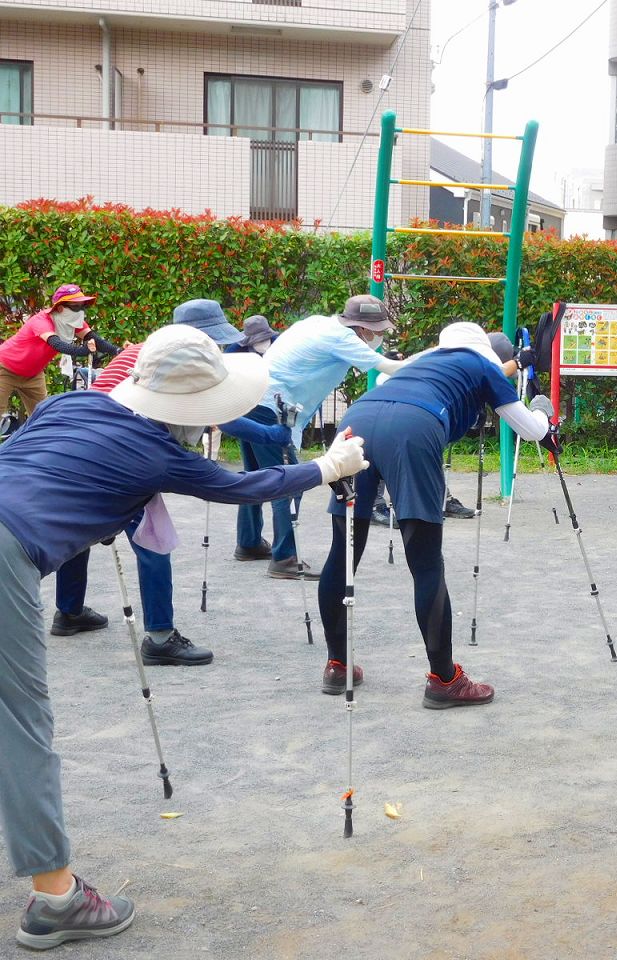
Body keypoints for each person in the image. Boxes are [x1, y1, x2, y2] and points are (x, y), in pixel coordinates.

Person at [0, 324, 366, 950]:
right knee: (20, 729)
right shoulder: (158, 454)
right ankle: (57, 899)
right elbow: (239, 486)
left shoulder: (70, 402)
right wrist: (327, 466)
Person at [316, 323, 556, 707]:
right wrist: (543, 412)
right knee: (426, 563)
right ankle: (444, 679)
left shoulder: (424, 359)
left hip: (356, 422)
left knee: (343, 553)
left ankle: (337, 663)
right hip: (414, 427)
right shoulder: (483, 365)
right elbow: (529, 430)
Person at [50, 302, 294, 665]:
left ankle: (68, 613)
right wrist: (273, 435)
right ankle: (161, 638)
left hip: (76, 437)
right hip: (116, 449)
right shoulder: (179, 367)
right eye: (216, 342)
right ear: (199, 341)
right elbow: (221, 416)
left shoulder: (142, 352)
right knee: (153, 537)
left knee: (78, 526)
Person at [235, 295, 407, 578]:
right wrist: (435, 357)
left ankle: (249, 542)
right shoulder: (343, 338)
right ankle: (284, 558)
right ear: (361, 328)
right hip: (274, 408)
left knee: (255, 475)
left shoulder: (320, 324)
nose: (379, 335)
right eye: (376, 330)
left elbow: (370, 360)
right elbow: (391, 369)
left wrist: (382, 359)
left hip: (254, 397)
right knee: (287, 481)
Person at [0, 284, 122, 416]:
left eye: (83, 306)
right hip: (5, 368)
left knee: (42, 417)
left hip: (33, 375)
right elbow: (57, 344)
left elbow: (95, 339)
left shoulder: (72, 321)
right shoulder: (41, 321)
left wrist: (117, 350)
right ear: (60, 308)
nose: (81, 311)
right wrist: (83, 351)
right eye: (76, 307)